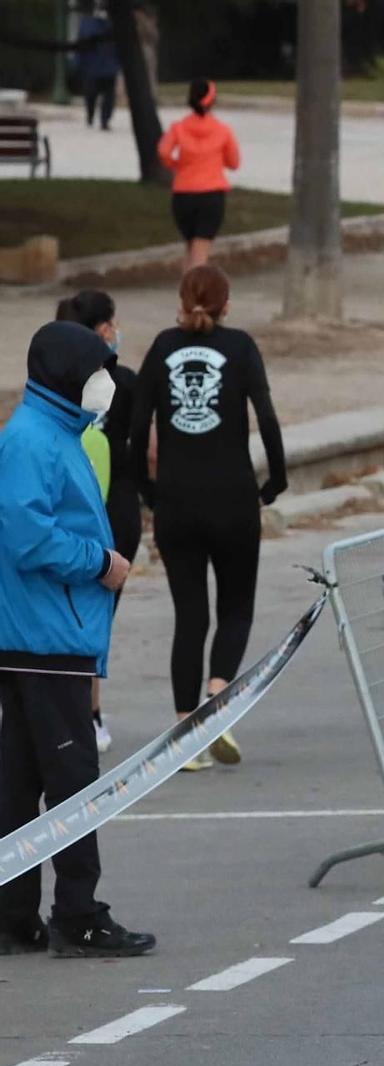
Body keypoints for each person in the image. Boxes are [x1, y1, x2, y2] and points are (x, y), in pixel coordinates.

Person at [0, 321, 151, 958]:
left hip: (42, 634)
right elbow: (27, 536)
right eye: (97, 372)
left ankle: (13, 915)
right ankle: (78, 913)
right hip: (48, 637)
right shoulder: (32, 440)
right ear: (66, 374)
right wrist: (99, 562)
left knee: (20, 779)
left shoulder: (56, 431)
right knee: (74, 782)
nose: (106, 384)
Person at [125, 266, 284, 769]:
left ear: (181, 300)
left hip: (177, 502)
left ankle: (184, 731)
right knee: (236, 608)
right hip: (234, 499)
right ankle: (218, 700)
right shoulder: (240, 348)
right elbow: (267, 416)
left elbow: (135, 428)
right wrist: (275, 480)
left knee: (190, 616)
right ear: (227, 305)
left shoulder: (162, 347)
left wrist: (147, 491)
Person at [54, 289, 139, 752]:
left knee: (77, 618)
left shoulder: (55, 386)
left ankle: (87, 713)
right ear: (103, 329)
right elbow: (147, 446)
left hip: (95, 516)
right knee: (92, 620)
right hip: (110, 519)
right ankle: (85, 714)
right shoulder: (120, 381)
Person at [158, 81, 240, 272]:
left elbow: (163, 151)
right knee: (200, 254)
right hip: (211, 195)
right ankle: (196, 298)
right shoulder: (222, 130)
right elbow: (234, 163)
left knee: (190, 248)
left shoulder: (178, 128)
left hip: (183, 195)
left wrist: (176, 165)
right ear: (212, 102)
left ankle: (187, 294)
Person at [74, 4, 121, 132]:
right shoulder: (88, 23)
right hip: (93, 65)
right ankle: (91, 115)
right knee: (91, 94)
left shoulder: (113, 24)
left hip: (107, 65)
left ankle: (104, 120)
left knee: (108, 96)